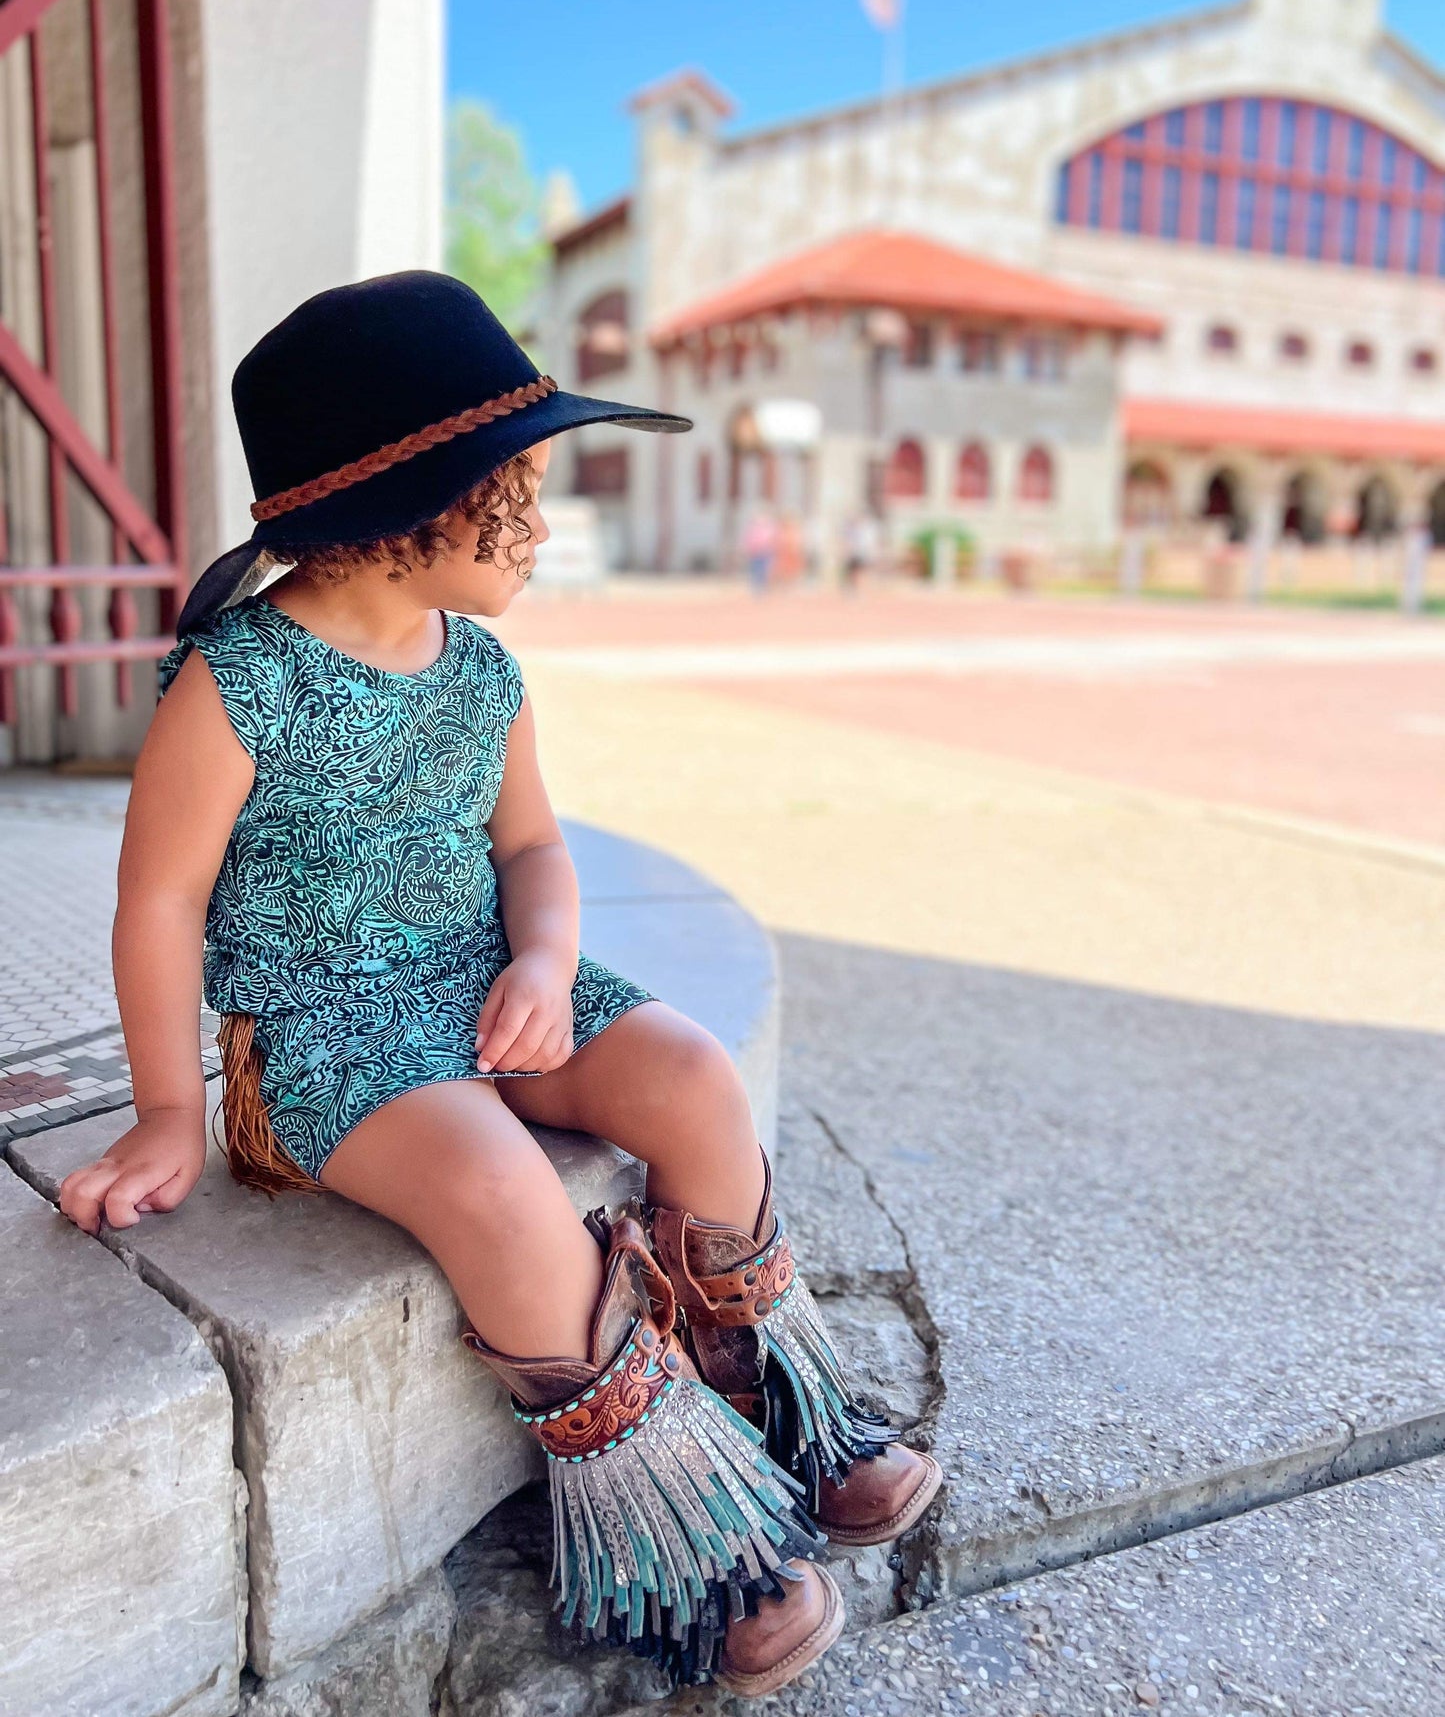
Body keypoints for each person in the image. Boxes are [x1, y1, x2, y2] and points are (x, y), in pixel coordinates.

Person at [55, 274, 940, 1698]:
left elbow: (529, 844)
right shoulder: (235, 683)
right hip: (326, 1037)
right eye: (515, 487)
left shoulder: (485, 673)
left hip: (485, 979)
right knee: (500, 1186)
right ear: (411, 503)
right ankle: (685, 1531)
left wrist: (540, 955)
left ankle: (757, 1385)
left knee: (694, 1078)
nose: (538, 522)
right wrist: (170, 1112)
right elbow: (156, 900)